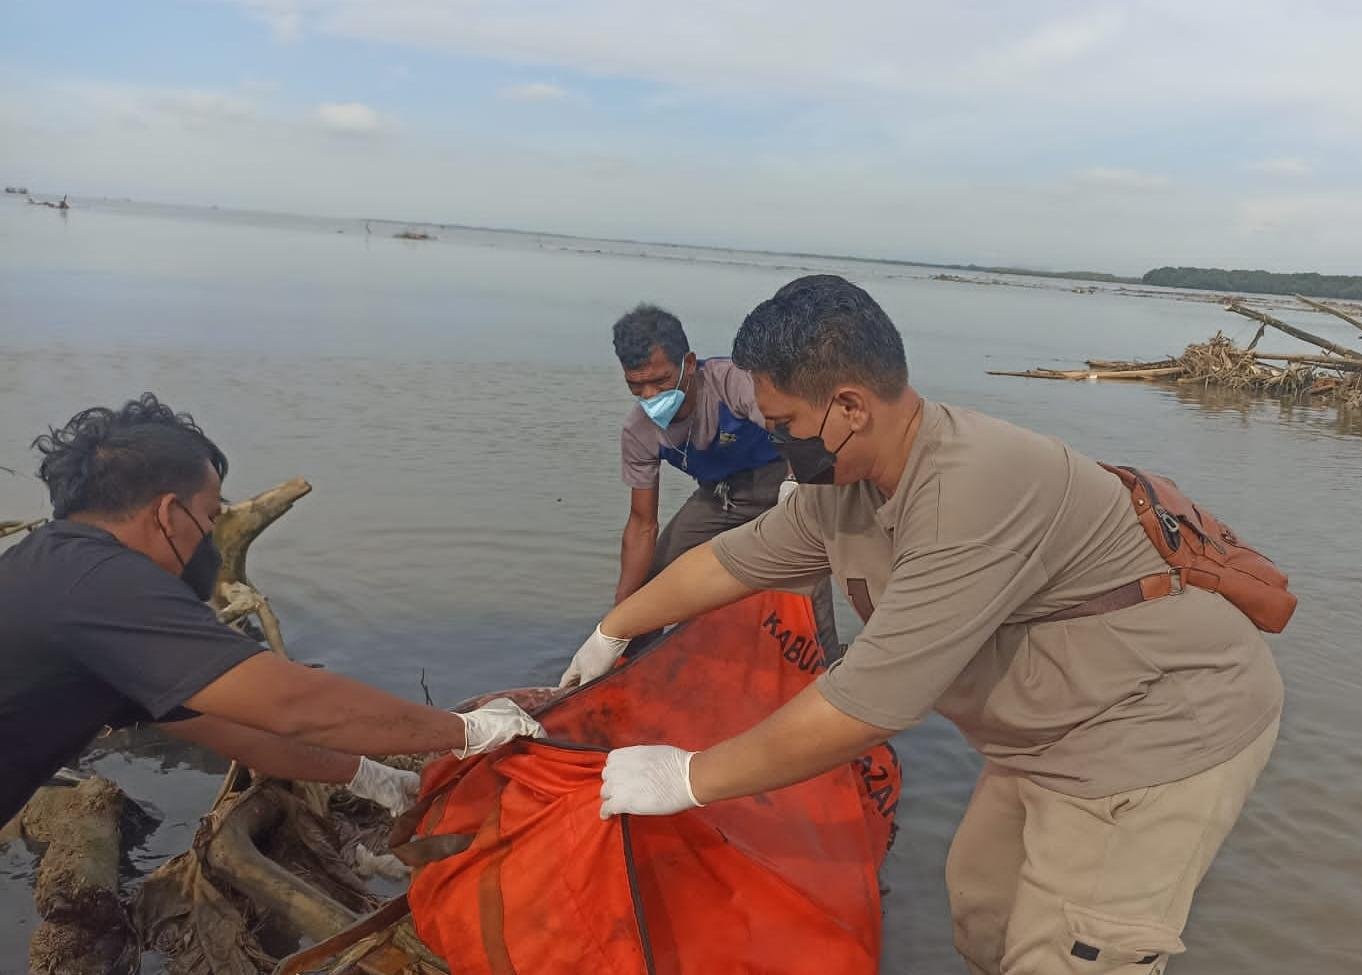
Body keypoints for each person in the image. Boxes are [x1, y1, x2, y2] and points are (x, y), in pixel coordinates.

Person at [570, 276, 1285, 974]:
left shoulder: (965, 491)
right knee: (984, 915)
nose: (776, 442)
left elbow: (864, 707)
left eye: (783, 425)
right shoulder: (843, 485)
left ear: (849, 406)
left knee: (1070, 953)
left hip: (1155, 727)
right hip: (1044, 734)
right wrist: (612, 630)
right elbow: (734, 561)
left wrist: (692, 776)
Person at [0, 394, 542, 827]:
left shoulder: (55, 568)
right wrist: (466, 730)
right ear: (168, 511)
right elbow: (294, 702)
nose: (210, 536)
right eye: (209, 516)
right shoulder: (102, 583)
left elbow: (238, 730)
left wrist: (370, 777)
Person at [561, 304, 837, 685]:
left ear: (688, 363)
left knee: (805, 588)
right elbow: (642, 525)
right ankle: (623, 673)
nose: (649, 394)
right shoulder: (639, 431)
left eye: (659, 380)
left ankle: (823, 680)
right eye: (635, 385)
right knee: (656, 580)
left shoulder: (734, 382)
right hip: (720, 496)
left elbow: (800, 428)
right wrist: (612, 625)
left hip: (786, 482)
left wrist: (796, 491)